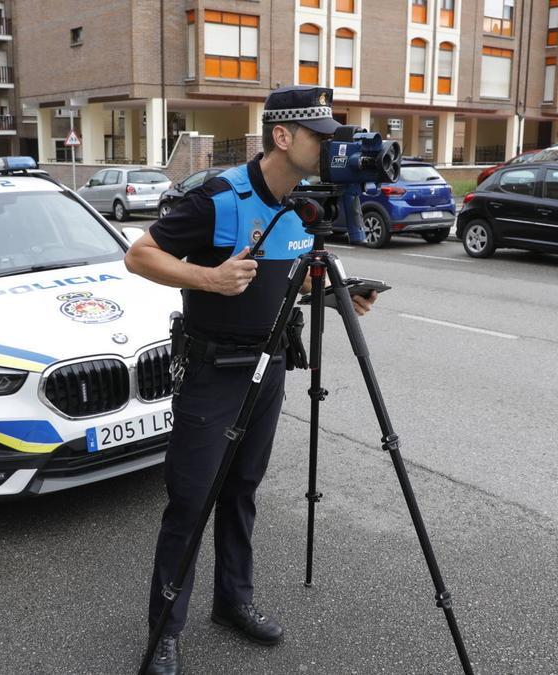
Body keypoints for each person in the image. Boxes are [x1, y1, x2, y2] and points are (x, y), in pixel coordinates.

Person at [124, 85, 377, 675]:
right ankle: (164, 631)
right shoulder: (220, 197)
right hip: (212, 375)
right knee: (191, 502)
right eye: (321, 135)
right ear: (283, 137)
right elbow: (140, 255)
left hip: (267, 372)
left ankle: (233, 601)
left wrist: (339, 296)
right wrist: (207, 279)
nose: (330, 145)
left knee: (242, 493)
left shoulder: (300, 203)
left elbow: (290, 279)